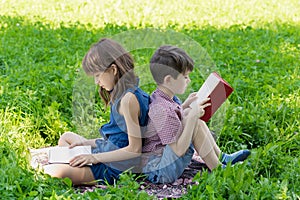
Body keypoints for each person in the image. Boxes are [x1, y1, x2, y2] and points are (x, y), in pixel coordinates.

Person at [43, 38, 149, 185]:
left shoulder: (128, 100)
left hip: (116, 167)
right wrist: (86, 143)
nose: (96, 82)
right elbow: (117, 137)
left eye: (98, 75)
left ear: (113, 70)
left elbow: (134, 149)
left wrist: (94, 158)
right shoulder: (122, 93)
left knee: (50, 171)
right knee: (67, 137)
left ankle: (86, 172)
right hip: (107, 151)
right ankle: (77, 162)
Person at [142, 45, 250, 184]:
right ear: (168, 80)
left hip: (163, 160)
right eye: (185, 77)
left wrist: (185, 107)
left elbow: (174, 119)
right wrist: (192, 117)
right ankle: (218, 170)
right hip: (160, 170)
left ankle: (221, 157)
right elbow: (179, 150)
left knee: (189, 114)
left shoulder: (163, 98)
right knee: (194, 120)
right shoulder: (161, 110)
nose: (189, 81)